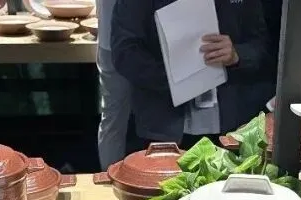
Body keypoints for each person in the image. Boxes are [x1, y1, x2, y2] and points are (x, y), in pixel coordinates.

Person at [111, 0, 276, 149]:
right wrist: (175, 80)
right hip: (165, 125)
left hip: (233, 124)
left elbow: (262, 46)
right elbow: (125, 53)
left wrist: (238, 54)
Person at [94, 0, 132, 170]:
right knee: (158, 117)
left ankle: (110, 178)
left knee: (113, 119)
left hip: (110, 36)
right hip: (147, 40)